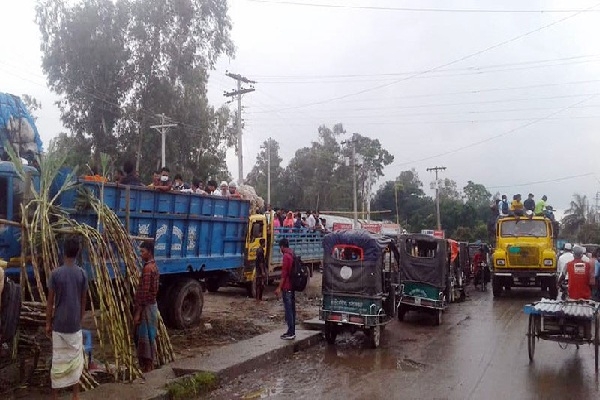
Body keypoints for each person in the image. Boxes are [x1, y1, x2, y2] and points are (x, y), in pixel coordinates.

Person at [46, 237, 89, 400]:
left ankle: (55, 396)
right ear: (78, 252)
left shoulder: (55, 273)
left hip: (59, 324)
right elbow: (84, 300)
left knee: (58, 360)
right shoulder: (82, 274)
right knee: (75, 360)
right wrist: (80, 319)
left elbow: (50, 302)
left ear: (63, 252)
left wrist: (47, 323)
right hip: (74, 325)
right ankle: (75, 395)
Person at [134, 241, 160, 373]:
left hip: (147, 307)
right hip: (152, 305)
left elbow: (144, 293)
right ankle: (149, 364)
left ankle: (148, 365)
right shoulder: (154, 266)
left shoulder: (148, 269)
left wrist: (138, 312)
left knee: (145, 336)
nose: (141, 254)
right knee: (150, 335)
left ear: (149, 252)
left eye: (142, 251)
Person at [274, 238, 295, 340]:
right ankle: (292, 331)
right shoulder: (292, 254)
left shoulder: (286, 256)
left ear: (282, 246)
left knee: (288, 310)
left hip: (287, 286)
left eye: (280, 247)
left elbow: (284, 274)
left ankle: (290, 332)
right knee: (291, 309)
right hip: (292, 285)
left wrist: (279, 287)